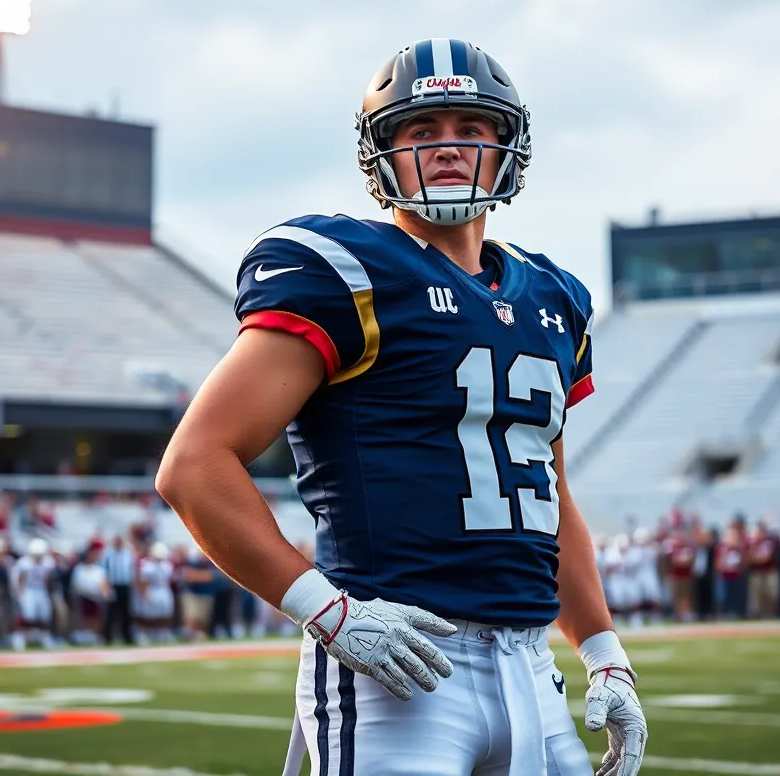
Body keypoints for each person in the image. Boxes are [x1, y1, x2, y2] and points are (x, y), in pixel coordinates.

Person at [157, 38, 646, 776]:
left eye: (469, 130)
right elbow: (194, 466)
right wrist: (330, 614)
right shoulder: (345, 269)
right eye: (421, 132)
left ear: (507, 147)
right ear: (380, 153)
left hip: (529, 661)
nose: (447, 147)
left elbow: (552, 496)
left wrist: (604, 652)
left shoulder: (555, 299)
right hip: (396, 658)